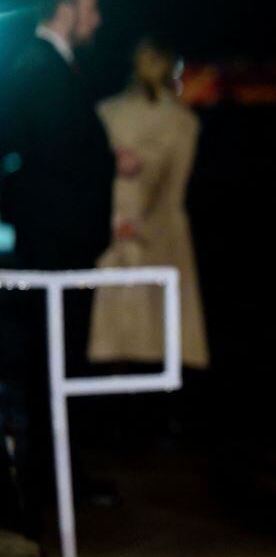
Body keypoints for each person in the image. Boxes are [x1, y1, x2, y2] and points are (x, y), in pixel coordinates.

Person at [0, 0, 116, 543]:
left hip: (65, 253)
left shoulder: (55, 70)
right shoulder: (37, 70)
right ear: (67, 10)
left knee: (62, 369)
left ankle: (59, 479)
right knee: (48, 371)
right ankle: (46, 488)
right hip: (50, 257)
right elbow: (41, 167)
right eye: (91, 8)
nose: (96, 19)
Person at [87, 36, 209, 372]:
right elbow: (174, 187)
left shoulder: (106, 113)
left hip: (116, 237)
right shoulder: (184, 122)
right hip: (163, 239)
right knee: (163, 347)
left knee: (119, 347)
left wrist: (118, 221)